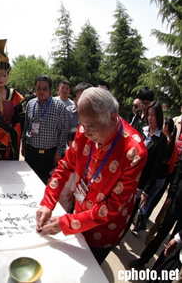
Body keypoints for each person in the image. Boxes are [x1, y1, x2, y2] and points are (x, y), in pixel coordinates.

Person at [36, 87, 148, 264]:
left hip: (104, 230)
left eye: (91, 126)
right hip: (78, 212)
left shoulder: (133, 152)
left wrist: (67, 224)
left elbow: (112, 208)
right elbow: (65, 166)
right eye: (83, 124)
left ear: (111, 118)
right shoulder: (83, 132)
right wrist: (48, 203)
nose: (85, 132)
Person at [22, 75, 69, 184]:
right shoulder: (30, 104)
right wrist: (23, 145)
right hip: (31, 153)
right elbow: (26, 127)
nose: (41, 91)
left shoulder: (60, 106)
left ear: (50, 89)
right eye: (38, 88)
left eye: (45, 89)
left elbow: (63, 131)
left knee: (45, 184)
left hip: (50, 155)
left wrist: (58, 153)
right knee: (30, 183)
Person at [132, 102, 167, 232]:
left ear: (159, 117)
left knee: (130, 213)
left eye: (153, 115)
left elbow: (155, 168)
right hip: (130, 176)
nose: (150, 118)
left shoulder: (161, 140)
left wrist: (146, 191)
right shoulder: (143, 131)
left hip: (141, 183)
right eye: (149, 115)